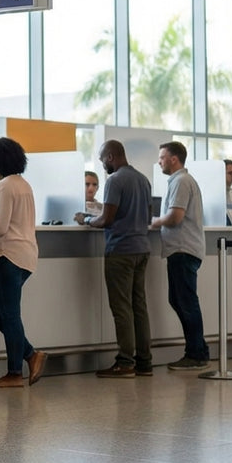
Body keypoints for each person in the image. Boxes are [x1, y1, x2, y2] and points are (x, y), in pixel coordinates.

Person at [74, 140, 153, 378]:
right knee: (139, 306)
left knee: (121, 308)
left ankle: (125, 362)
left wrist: (86, 220)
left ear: (110, 157)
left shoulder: (115, 180)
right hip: (142, 248)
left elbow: (106, 219)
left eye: (101, 160)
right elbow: (148, 216)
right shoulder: (143, 180)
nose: (101, 165)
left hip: (121, 250)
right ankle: (144, 362)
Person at [0, 137, 48, 388]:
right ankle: (30, 354)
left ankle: (15, 372)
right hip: (24, 255)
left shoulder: (5, 186)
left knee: (9, 315)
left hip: (8, 256)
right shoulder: (23, 184)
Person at [149, 142, 209, 371]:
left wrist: (156, 221)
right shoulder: (180, 181)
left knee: (186, 302)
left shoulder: (181, 181)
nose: (159, 161)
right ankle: (198, 349)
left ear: (174, 159)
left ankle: (195, 353)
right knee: (179, 300)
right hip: (181, 249)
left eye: (162, 157)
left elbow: (175, 217)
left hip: (183, 249)